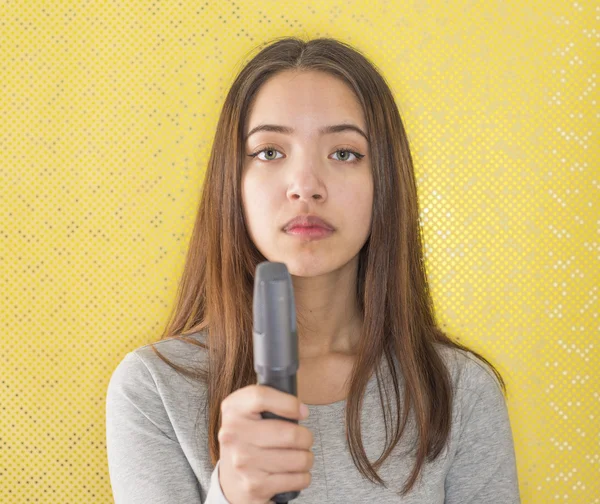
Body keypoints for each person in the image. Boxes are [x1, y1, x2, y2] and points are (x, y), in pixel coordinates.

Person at [106, 36, 521, 504]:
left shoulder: (459, 391)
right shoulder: (154, 388)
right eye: (269, 152)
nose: (305, 187)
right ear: (232, 182)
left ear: (385, 181)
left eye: (344, 153)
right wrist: (231, 496)